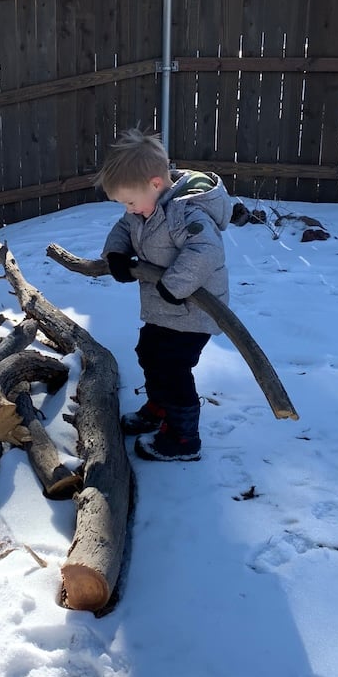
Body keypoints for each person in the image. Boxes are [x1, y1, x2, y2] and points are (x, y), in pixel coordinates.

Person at [95, 128, 231, 461]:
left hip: (192, 312)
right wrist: (116, 254)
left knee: (173, 367)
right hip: (163, 308)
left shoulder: (186, 213)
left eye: (129, 201)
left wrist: (175, 285)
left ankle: (184, 438)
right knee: (149, 352)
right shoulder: (144, 209)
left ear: (155, 184)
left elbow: (205, 251)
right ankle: (160, 405)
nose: (128, 210)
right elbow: (125, 229)